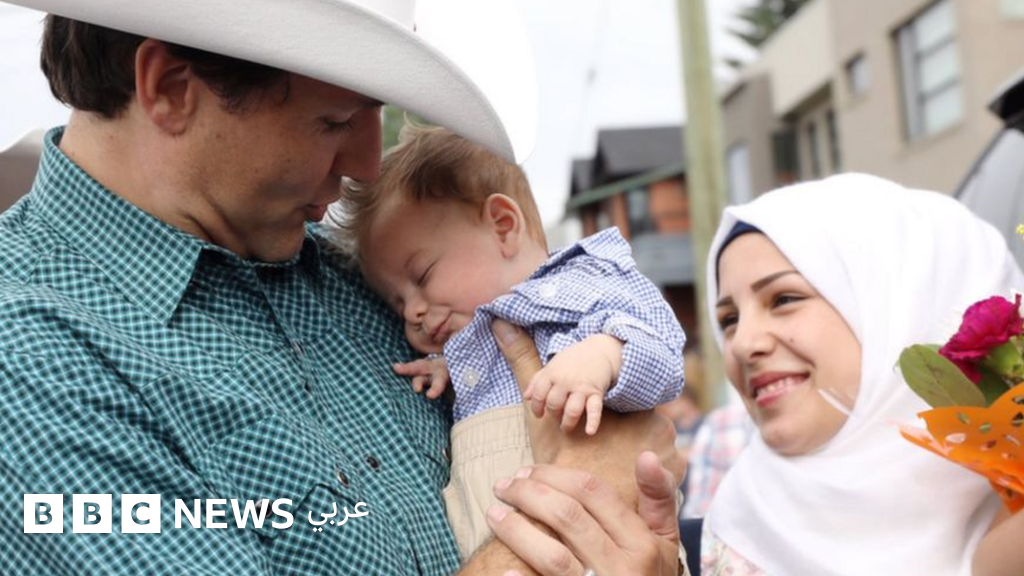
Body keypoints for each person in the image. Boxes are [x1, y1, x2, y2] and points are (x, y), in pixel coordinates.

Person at [0, 1, 686, 574]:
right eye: (334, 120)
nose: (366, 164)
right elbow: (598, 479)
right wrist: (582, 508)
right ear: (172, 88)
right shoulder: (28, 357)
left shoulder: (370, 278)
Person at [331, 124, 687, 558]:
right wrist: (450, 367)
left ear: (503, 226)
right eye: (397, 301)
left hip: (605, 545)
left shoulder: (577, 283)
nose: (412, 312)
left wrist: (603, 355)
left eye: (422, 276)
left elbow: (662, 348)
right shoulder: (476, 341)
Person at [701, 173, 1024, 575]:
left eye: (784, 299)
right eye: (728, 320)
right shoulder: (697, 548)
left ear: (905, 308)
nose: (742, 343)